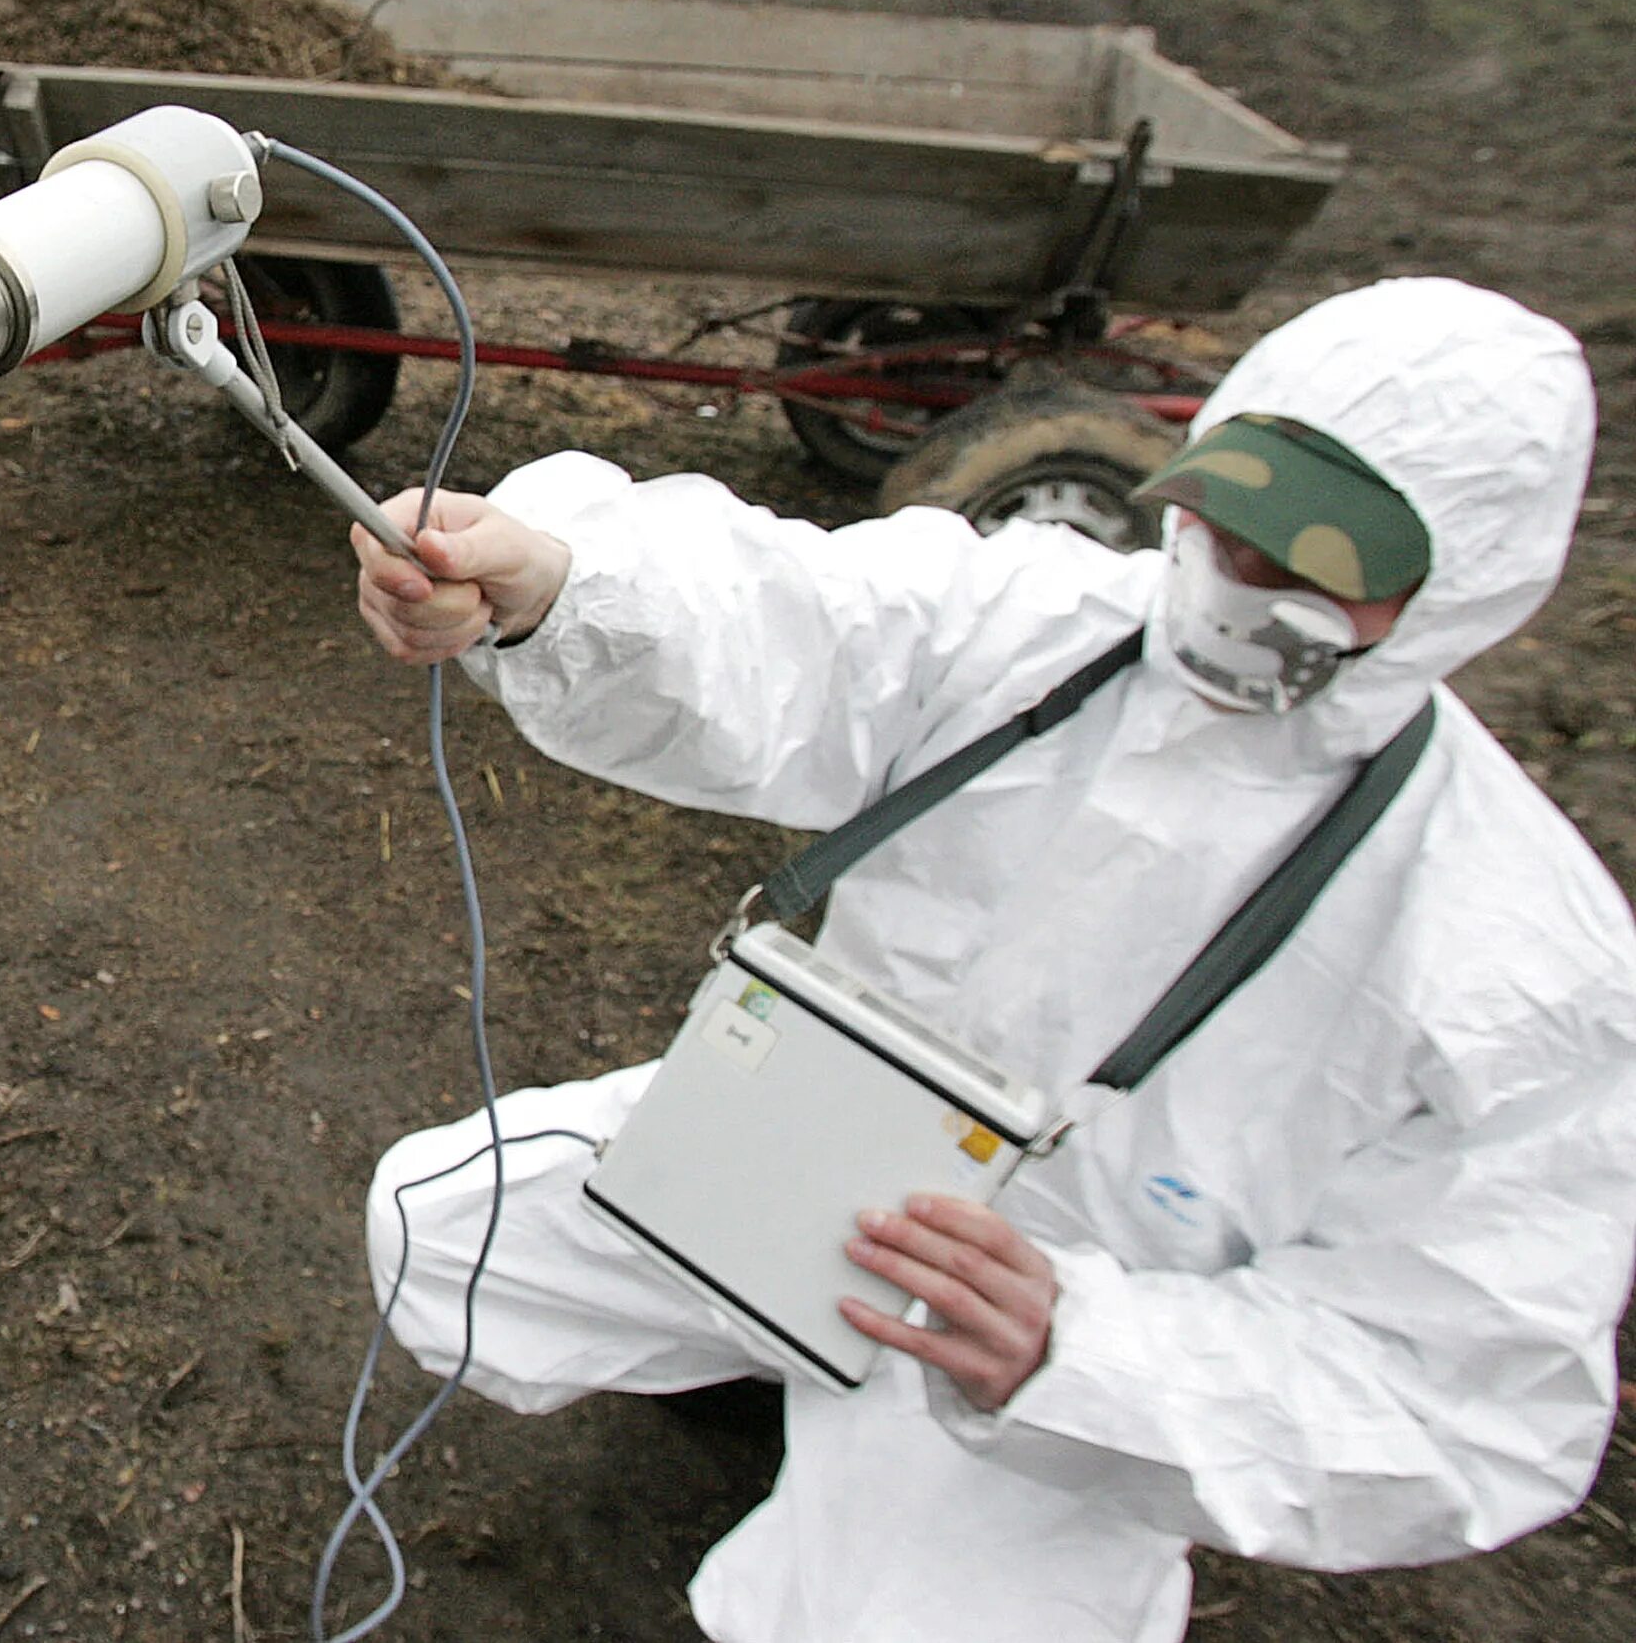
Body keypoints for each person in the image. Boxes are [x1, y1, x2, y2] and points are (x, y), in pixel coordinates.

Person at [347, 277, 1636, 1643]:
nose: (1230, 579)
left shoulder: (1520, 961)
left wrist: (1079, 1355)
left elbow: (1462, 1390)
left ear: (1457, 595)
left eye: (1305, 567)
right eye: (1224, 517)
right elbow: (798, 616)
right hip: (821, 1162)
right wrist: (557, 584)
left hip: (1066, 1326)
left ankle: (973, 1488)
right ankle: (773, 1348)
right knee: (441, 1231)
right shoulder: (1051, 620)